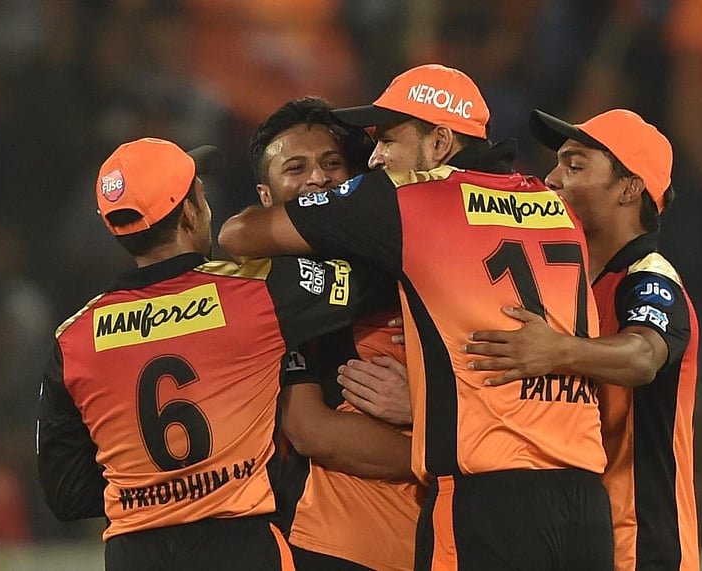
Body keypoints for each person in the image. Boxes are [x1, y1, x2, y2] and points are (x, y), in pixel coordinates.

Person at [218, 64, 614, 570]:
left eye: (389, 140)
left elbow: (239, 234)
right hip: (583, 497)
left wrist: (433, 408)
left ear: (441, 142)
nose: (376, 158)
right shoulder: (555, 206)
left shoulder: (411, 203)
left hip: (485, 499)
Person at [36, 137, 394, 570]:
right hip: (238, 542)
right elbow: (377, 273)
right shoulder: (256, 291)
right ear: (191, 211)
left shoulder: (73, 338)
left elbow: (67, 492)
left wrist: (152, 491)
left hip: (134, 552)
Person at [464, 109, 700, 570]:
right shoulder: (569, 288)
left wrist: (557, 351)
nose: (551, 179)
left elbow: (643, 355)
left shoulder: (649, 279)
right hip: (574, 537)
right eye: (558, 164)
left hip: (641, 544)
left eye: (575, 166)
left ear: (629, 189)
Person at [251, 96, 421, 571]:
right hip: (335, 540)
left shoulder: (406, 256)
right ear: (266, 197)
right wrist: (454, 449)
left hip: (438, 535)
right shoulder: (277, 285)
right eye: (295, 168)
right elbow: (312, 430)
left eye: (332, 164)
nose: (318, 179)